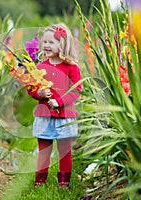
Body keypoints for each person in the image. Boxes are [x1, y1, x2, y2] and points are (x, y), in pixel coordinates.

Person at [27, 23, 83, 189]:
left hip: (65, 116)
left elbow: (77, 91)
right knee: (44, 150)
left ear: (63, 44)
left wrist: (59, 102)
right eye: (45, 42)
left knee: (64, 151)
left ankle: (64, 182)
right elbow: (32, 89)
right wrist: (40, 94)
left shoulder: (72, 68)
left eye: (51, 42)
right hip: (44, 115)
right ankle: (40, 181)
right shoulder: (40, 67)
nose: (46, 46)